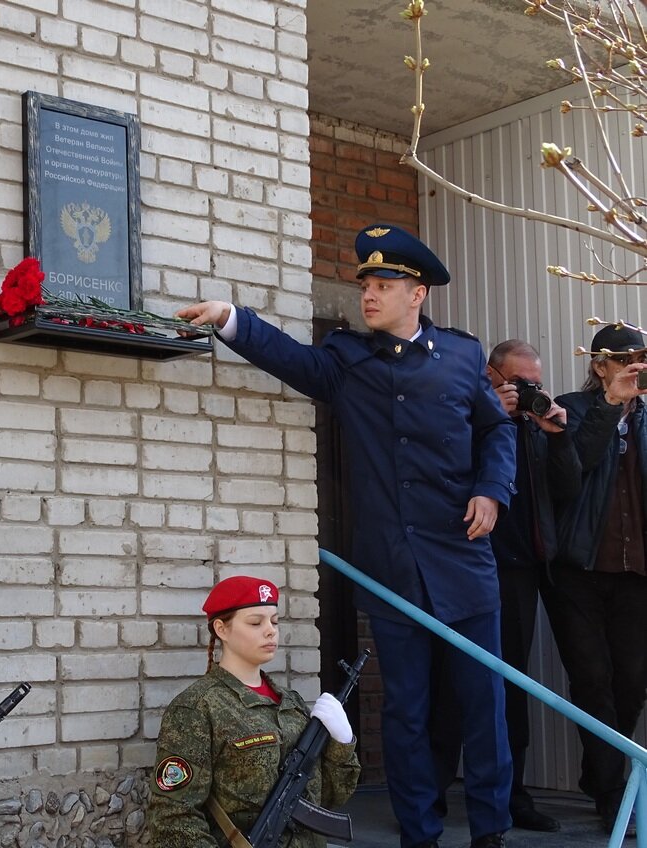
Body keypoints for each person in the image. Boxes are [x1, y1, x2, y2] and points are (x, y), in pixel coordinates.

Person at [178, 224, 516, 848]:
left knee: (482, 705)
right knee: (406, 711)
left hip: (464, 560)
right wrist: (232, 319)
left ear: (417, 293)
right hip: (391, 568)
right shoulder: (347, 359)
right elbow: (292, 360)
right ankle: (421, 832)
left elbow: (498, 431)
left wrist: (492, 489)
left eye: (383, 285)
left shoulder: (465, 356)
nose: (369, 294)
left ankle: (492, 830)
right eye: (365, 283)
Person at [431, 339, 581, 832]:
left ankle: (512, 796)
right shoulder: (468, 411)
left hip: (520, 573)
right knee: (450, 684)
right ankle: (431, 795)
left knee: (511, 686)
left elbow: (569, 491)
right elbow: (442, 466)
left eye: (535, 383)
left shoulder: (537, 428)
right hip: (467, 563)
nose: (528, 391)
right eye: (519, 383)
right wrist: (489, 415)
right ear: (493, 376)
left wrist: (556, 435)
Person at [146, 575, 360, 847]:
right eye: (255, 623)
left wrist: (342, 744)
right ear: (221, 629)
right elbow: (172, 818)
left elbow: (328, 797)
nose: (270, 631)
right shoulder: (197, 709)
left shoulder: (290, 703)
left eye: (274, 621)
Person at [543, 323, 647, 837]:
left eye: (642, 358)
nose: (635, 367)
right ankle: (610, 795)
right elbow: (571, 472)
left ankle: (599, 776)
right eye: (623, 359)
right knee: (593, 683)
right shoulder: (571, 408)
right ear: (599, 365)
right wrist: (610, 404)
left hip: (637, 575)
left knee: (632, 683)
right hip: (578, 571)